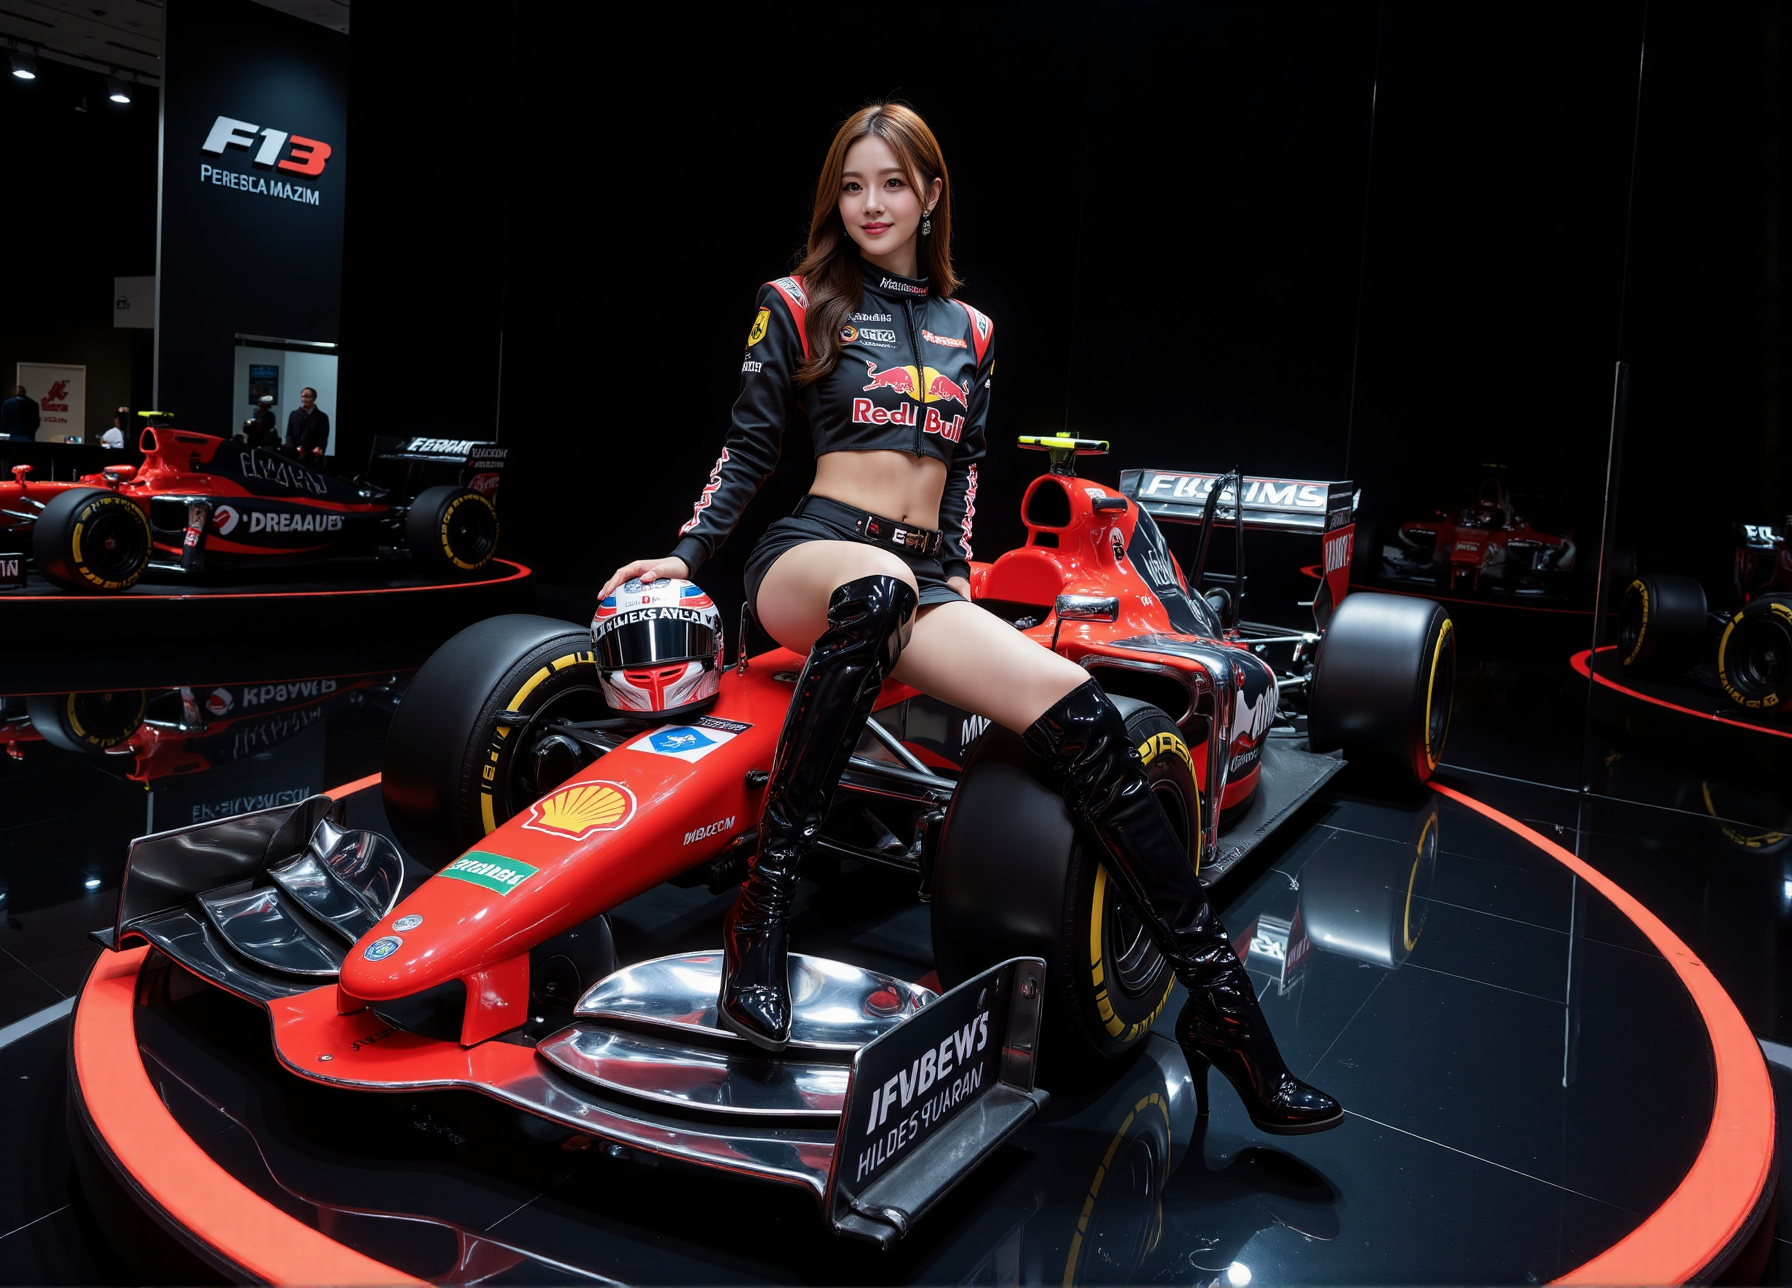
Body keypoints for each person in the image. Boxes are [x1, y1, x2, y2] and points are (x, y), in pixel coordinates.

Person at [598, 103, 1340, 1135]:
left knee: (1082, 709)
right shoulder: (795, 303)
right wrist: (687, 553)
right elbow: (749, 450)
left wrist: (958, 588)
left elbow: (964, 486)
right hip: (809, 557)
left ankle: (1226, 1017)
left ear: (930, 195)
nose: (870, 204)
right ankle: (757, 921)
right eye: (852, 186)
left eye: (891, 184)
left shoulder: (973, 331)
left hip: (918, 582)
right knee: (874, 591)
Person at [285, 387, 329, 461]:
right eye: (302, 396)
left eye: (307, 396)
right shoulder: (294, 414)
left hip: (311, 454)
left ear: (314, 398)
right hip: (294, 453)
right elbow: (289, 435)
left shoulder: (321, 417)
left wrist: (319, 448)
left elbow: (323, 437)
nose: (304, 399)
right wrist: (293, 448)